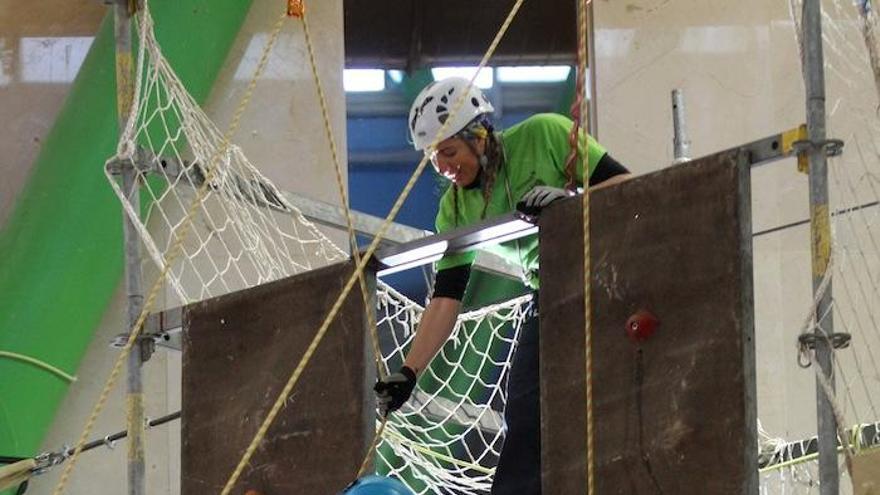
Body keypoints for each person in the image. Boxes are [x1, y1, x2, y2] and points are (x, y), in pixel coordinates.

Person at [374, 77, 631, 494]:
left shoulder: (544, 134)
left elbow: (628, 187)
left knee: (609, 409)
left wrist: (572, 203)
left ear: (479, 136)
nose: (443, 167)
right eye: (433, 158)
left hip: (607, 276)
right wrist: (408, 372)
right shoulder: (455, 207)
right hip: (547, 296)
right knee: (526, 418)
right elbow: (446, 298)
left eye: (449, 152)